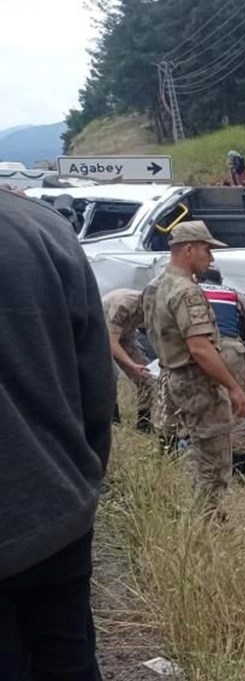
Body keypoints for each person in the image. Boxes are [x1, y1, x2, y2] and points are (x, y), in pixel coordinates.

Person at [0, 191, 114, 678]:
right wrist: (83, 480)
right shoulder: (40, 228)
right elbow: (97, 388)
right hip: (57, 512)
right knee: (67, 660)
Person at [142, 221, 245, 517]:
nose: (211, 258)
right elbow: (200, 348)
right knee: (213, 457)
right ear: (188, 249)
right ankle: (207, 520)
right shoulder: (187, 291)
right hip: (196, 380)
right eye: (207, 250)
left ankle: (203, 514)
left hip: (171, 375)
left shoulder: (154, 286)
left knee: (196, 450)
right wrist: (233, 387)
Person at [197, 268, 245, 474]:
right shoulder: (235, 295)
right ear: (221, 280)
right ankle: (239, 467)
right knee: (239, 406)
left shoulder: (190, 292)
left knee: (199, 401)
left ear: (198, 278)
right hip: (231, 351)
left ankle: (201, 461)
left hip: (198, 349)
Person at [103, 287, 154, 432]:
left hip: (125, 336)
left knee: (147, 376)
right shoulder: (123, 306)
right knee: (110, 376)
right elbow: (112, 343)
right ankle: (113, 421)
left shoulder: (155, 308)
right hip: (101, 336)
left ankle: (144, 424)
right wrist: (131, 365)